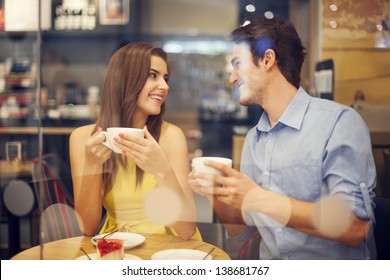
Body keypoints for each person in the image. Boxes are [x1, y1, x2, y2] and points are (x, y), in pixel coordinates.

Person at [189, 16, 376, 259]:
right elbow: (242, 231)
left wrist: (257, 198)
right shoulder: (254, 139)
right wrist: (215, 192)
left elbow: (354, 227)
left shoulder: (338, 123)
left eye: (238, 64)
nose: (232, 78)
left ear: (267, 59)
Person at [69, 42, 200, 241]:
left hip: (169, 245)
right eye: (152, 75)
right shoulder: (82, 139)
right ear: (124, 80)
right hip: (117, 245)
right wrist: (92, 165)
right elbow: (87, 227)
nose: (165, 86)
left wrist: (163, 170)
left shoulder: (171, 136)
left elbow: (187, 230)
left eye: (165, 78)